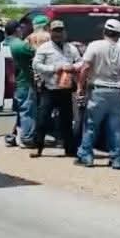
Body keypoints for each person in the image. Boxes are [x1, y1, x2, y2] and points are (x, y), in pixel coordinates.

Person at [76, 19, 120, 168]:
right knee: (116, 128)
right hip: (117, 91)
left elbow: (85, 67)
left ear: (104, 31)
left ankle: (86, 155)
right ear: (119, 34)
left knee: (91, 125)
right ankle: (117, 159)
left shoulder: (95, 45)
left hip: (98, 90)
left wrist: (80, 86)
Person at [31, 20, 82, 158]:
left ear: (64, 32)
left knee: (67, 120)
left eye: (60, 31)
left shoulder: (71, 48)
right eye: (55, 31)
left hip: (66, 89)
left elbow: (80, 62)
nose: (58, 34)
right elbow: (36, 65)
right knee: (43, 119)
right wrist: (54, 69)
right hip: (49, 88)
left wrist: (73, 67)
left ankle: (70, 149)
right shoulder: (44, 48)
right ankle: (37, 147)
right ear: (50, 32)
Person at [3, 21, 37, 148]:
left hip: (6, 85)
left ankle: (9, 138)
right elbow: (36, 55)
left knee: (10, 111)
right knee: (26, 110)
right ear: (17, 30)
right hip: (23, 82)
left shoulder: (2, 44)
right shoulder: (21, 45)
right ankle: (26, 138)